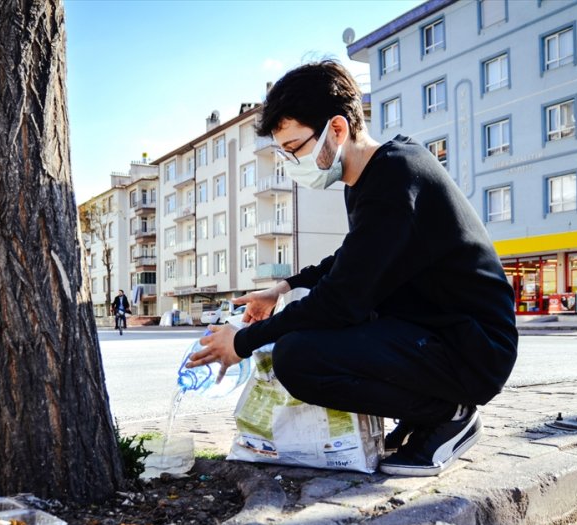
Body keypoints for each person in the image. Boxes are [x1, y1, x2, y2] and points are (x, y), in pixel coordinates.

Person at [186, 60, 518, 476]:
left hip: (473, 350)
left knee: (300, 357)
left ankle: (449, 413)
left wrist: (245, 341)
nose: (291, 163)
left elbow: (341, 301)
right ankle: (426, 412)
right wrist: (283, 288)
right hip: (439, 333)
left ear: (337, 130)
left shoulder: (396, 178)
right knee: (308, 343)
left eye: (294, 148)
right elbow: (353, 260)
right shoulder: (375, 175)